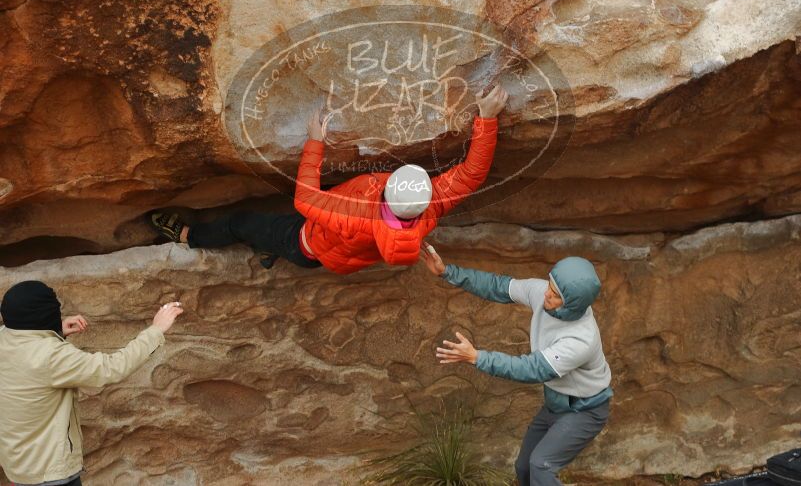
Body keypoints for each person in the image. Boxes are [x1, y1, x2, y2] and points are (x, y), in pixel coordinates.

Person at [150, 85, 509, 274]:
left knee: (244, 222)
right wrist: (486, 119)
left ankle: (187, 236)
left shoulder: (354, 214)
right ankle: (267, 250)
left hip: (305, 243)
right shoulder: (429, 207)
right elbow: (471, 174)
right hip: (336, 249)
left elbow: (305, 199)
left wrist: (315, 142)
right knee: (271, 230)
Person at [420, 243, 612, 486]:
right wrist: (447, 272)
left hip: (585, 411)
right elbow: (498, 287)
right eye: (549, 285)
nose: (546, 294)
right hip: (556, 403)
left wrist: (477, 357)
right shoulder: (543, 293)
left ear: (572, 303)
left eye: (555, 294)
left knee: (541, 465)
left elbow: (530, 369)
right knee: (524, 467)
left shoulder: (580, 339)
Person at [0, 281, 183, 486]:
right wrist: (156, 330)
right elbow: (111, 367)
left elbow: (30, 351)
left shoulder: (4, 337)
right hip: (50, 473)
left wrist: (54, 332)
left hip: (18, 467)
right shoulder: (53, 356)